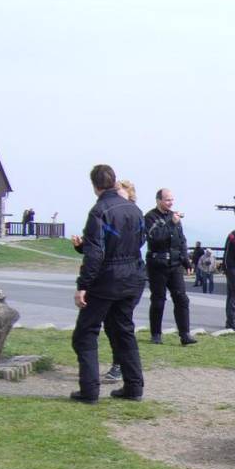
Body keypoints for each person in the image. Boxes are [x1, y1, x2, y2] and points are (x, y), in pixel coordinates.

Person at [70, 164, 147, 403]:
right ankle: (134, 387)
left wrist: (83, 285)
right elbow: (139, 241)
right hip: (133, 275)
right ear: (114, 181)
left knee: (85, 333)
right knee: (123, 331)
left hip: (107, 279)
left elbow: (95, 254)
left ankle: (89, 390)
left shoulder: (99, 211)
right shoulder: (134, 209)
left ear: (95, 186)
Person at [100, 179, 140, 385]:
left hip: (129, 275)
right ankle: (123, 367)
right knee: (110, 322)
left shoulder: (134, 216)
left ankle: (122, 367)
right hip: (112, 275)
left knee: (121, 323)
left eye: (120, 192)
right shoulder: (109, 214)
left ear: (129, 195)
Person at [144, 188, 196, 345]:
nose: (170, 203)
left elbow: (181, 240)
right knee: (158, 300)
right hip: (157, 264)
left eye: (172, 200)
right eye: (167, 200)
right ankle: (156, 334)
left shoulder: (174, 217)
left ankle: (185, 334)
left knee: (181, 298)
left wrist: (186, 261)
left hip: (175, 264)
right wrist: (171, 224)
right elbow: (154, 238)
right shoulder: (150, 217)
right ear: (158, 200)